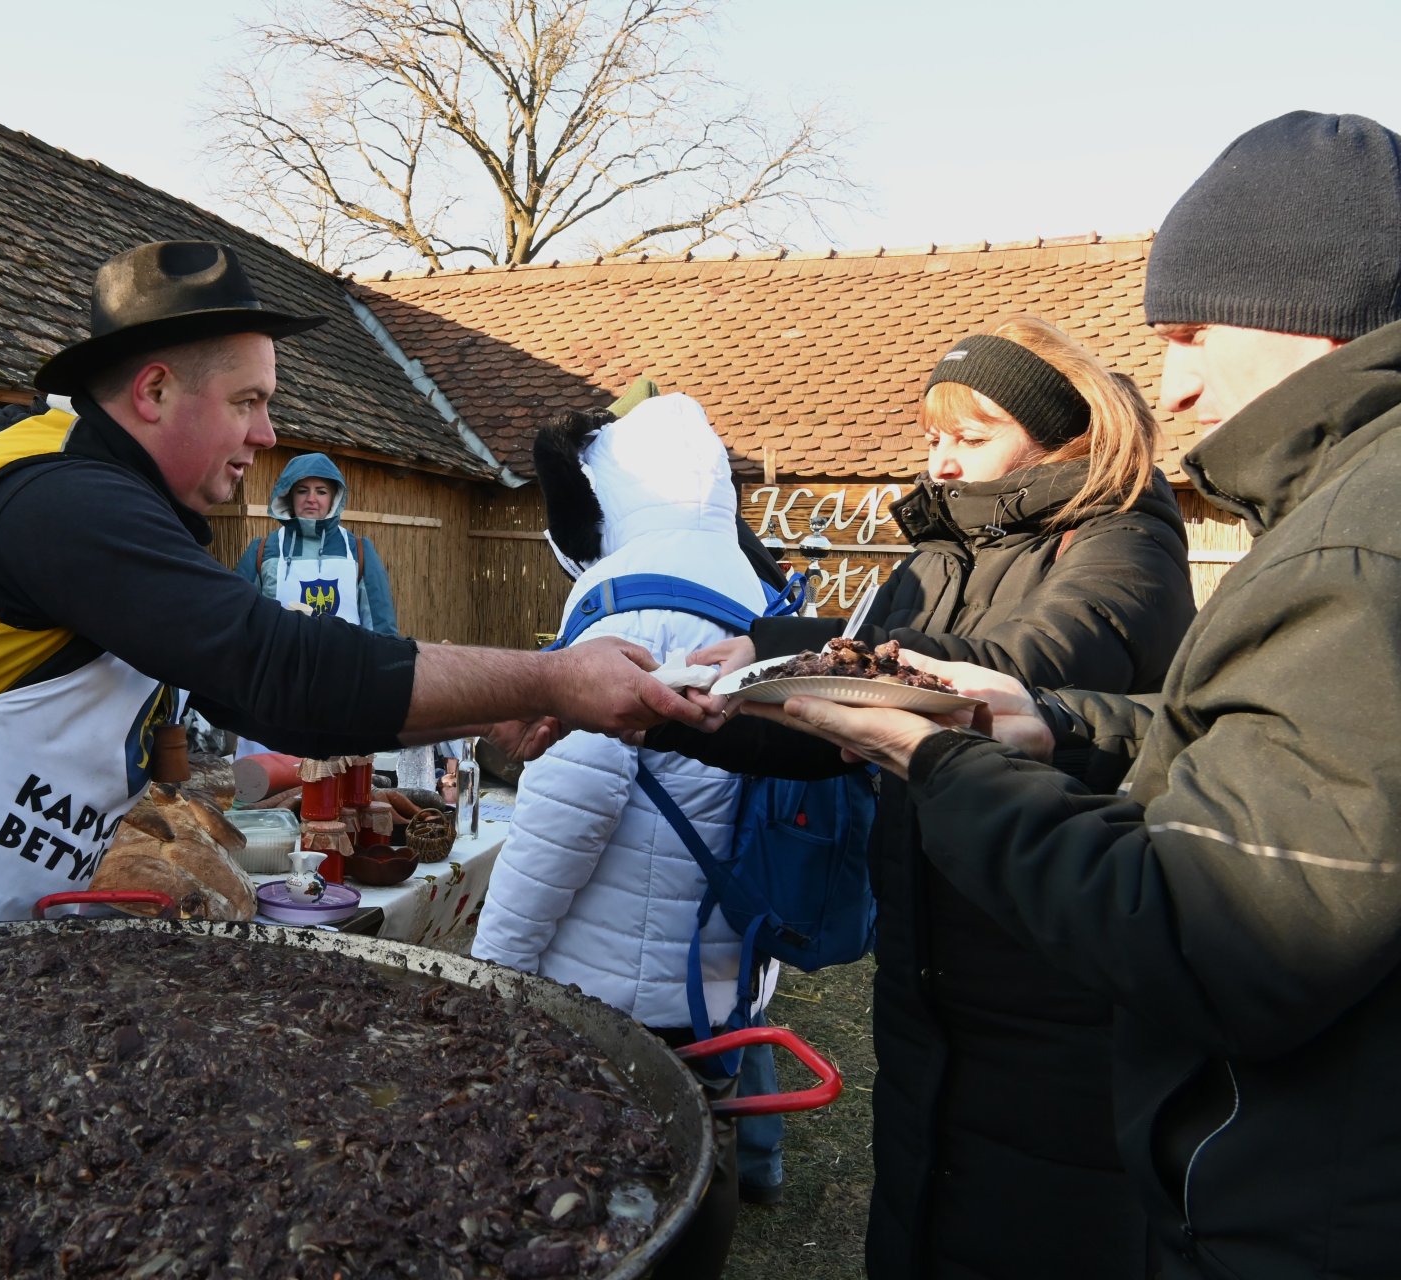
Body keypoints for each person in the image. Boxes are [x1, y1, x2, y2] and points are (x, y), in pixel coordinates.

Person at [741, 111, 1401, 1280]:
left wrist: (946, 733)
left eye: (1193, 331)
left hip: (1063, 997)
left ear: (1312, 306)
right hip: (946, 970)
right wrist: (730, 696)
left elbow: (1040, 664)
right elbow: (1232, 737)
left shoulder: (1174, 546)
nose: (1179, 383)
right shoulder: (935, 551)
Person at [0, 240, 706, 961]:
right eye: (248, 402)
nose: (264, 436)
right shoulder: (61, 497)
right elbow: (276, 669)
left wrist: (487, 703)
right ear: (153, 392)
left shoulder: (113, 501)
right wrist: (552, 674)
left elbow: (209, 714)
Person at [652, 315, 1196, 1277]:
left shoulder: (1123, 547)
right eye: (935, 436)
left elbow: (999, 678)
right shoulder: (937, 557)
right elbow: (842, 735)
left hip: (1052, 975)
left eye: (971, 435)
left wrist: (791, 655)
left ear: (1063, 434)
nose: (942, 463)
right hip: (927, 967)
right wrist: (661, 708)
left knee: (1039, 1226)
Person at [473, 392, 771, 1277]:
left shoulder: (629, 621)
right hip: (711, 970)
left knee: (601, 1196)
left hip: (613, 993)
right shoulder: (749, 607)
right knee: (688, 1161)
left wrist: (490, 977)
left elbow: (569, 813)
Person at [231, 449, 399, 758]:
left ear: (334, 497)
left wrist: (383, 689)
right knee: (265, 790)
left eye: (321, 491)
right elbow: (237, 624)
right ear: (289, 496)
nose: (312, 499)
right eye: (302, 490)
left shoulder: (358, 552)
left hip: (342, 692)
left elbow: (382, 630)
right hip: (275, 694)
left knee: (337, 790)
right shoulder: (264, 551)